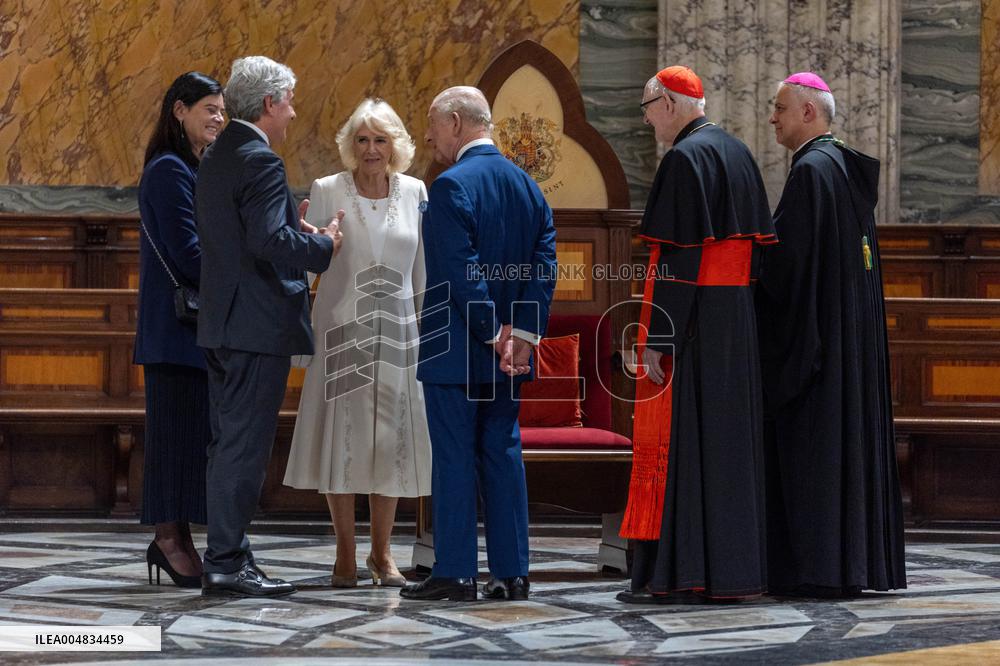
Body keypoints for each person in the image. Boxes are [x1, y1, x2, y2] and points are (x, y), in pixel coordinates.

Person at [617, 66, 775, 603]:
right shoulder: (738, 152)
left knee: (684, 445)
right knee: (726, 446)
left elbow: (679, 257)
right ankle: (732, 571)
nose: (646, 121)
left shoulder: (684, 159)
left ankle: (683, 573)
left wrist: (658, 338)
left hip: (695, 323)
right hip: (735, 320)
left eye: (647, 108)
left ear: (670, 103)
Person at [399, 86, 557, 602]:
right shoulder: (529, 187)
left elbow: (459, 274)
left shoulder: (449, 187)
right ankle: (512, 574)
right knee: (503, 453)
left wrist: (492, 335)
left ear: (455, 121)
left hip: (459, 354)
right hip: (509, 358)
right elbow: (543, 267)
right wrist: (524, 336)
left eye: (431, 123)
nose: (427, 135)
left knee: (453, 458)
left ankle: (456, 572)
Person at [755, 72, 906, 597]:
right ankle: (848, 566)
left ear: (808, 113)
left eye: (779, 108)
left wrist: (749, 260)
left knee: (813, 456)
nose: (771, 118)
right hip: (849, 342)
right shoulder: (841, 166)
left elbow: (788, 272)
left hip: (819, 353)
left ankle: (816, 568)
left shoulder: (812, 173)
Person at [196, 56, 342, 597]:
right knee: (242, 448)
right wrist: (323, 244)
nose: (293, 112)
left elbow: (245, 233)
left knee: (228, 445)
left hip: (223, 323)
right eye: (288, 102)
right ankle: (227, 563)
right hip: (255, 327)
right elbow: (268, 243)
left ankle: (229, 554)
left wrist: (290, 225)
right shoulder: (259, 159)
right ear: (268, 104)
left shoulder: (220, 153)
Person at [284, 98, 431, 588]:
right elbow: (306, 262)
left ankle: (383, 555)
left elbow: (422, 272)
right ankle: (345, 555)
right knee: (342, 441)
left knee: (392, 442)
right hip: (341, 328)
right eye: (363, 140)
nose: (371, 149)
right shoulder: (328, 190)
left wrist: (428, 334)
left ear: (396, 146)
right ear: (351, 145)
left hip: (399, 332)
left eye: (381, 139)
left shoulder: (414, 190)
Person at [135, 72, 224, 588]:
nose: (216, 118)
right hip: (173, 333)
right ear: (179, 111)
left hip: (192, 332)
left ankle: (179, 538)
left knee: (189, 440)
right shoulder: (169, 170)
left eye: (221, 111)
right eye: (208, 109)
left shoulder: (193, 167)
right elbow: (189, 257)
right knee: (172, 439)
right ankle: (168, 539)